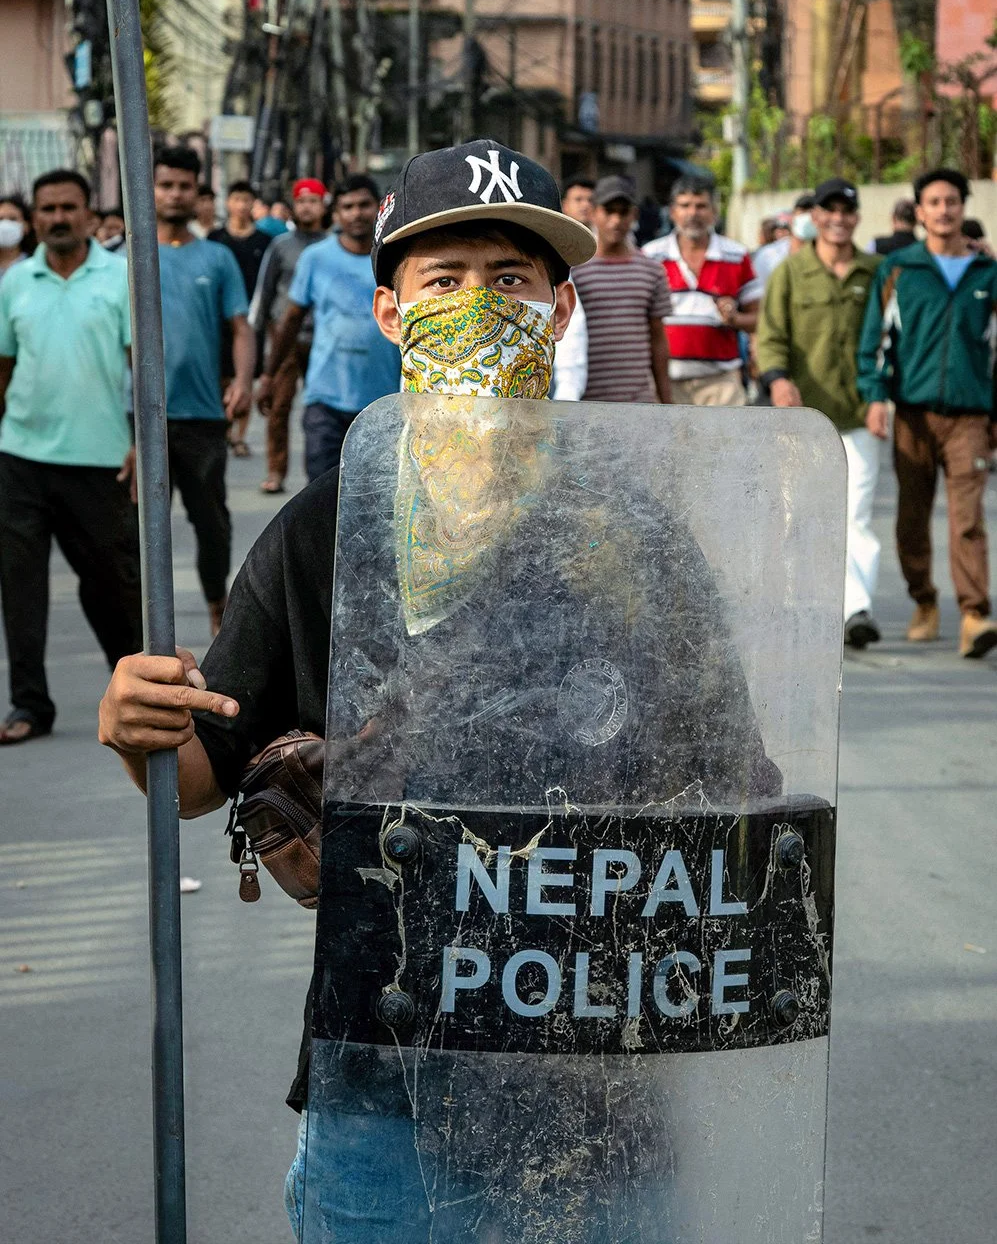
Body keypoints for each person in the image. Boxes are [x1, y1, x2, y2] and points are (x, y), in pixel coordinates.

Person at [97, 138, 779, 1240]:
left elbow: (736, 786)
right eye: (443, 279)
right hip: (386, 1085)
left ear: (559, 312)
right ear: (388, 312)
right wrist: (136, 726)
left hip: (599, 1085)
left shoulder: (637, 535)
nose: (477, 306)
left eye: (509, 281)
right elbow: (191, 777)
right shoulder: (330, 523)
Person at [0, 170, 141, 744]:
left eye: (68, 207)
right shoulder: (15, 282)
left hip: (100, 459)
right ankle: (30, 705)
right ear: (35, 218)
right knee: (21, 585)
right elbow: (3, 367)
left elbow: (143, 367)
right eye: (47, 208)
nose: (57, 217)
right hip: (21, 456)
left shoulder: (122, 276)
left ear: (88, 214)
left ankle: (138, 695)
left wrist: (141, 444)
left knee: (111, 585)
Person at [857, 168, 997, 658]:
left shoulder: (988, 274)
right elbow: (875, 342)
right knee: (912, 518)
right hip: (912, 414)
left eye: (952, 201)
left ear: (964, 208)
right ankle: (924, 602)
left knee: (967, 518)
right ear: (919, 212)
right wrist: (876, 397)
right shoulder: (898, 270)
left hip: (970, 417)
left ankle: (975, 615)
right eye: (934, 202)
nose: (943, 210)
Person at [757, 178, 882, 648]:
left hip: (857, 413)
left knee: (857, 515)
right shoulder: (792, 271)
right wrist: (778, 379)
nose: (838, 219)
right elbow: (771, 335)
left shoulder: (877, 271)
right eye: (829, 210)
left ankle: (856, 610)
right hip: (802, 418)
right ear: (816, 216)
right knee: (797, 512)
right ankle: (799, 603)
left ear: (856, 217)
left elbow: (892, 340)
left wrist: (880, 399)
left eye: (846, 211)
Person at [154, 148, 254, 634]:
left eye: (183, 185)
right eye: (165, 184)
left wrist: (242, 381)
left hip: (202, 415)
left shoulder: (217, 258)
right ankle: (145, 628)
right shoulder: (125, 258)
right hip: (139, 420)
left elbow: (240, 327)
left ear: (197, 193)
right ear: (148, 188)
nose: (174, 193)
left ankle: (218, 605)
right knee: (135, 529)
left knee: (211, 523)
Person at [264, 175, 400, 484]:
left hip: (382, 403)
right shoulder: (315, 259)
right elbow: (291, 320)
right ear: (336, 213)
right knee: (320, 497)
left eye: (364, 205)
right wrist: (269, 376)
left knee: (377, 500)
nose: (356, 213)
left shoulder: (394, 260)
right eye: (347, 207)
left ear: (379, 208)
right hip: (325, 400)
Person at [643, 174, 760, 407]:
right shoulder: (651, 255)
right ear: (673, 212)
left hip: (721, 383)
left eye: (701, 206)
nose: (692, 214)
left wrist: (734, 317)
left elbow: (759, 319)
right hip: (665, 380)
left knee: (726, 444)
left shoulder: (736, 255)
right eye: (685, 206)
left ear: (714, 211)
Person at [252, 178, 328, 493]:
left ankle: (322, 476)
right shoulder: (280, 246)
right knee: (279, 407)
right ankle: (276, 471)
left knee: (322, 410)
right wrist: (258, 341)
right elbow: (264, 293)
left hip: (323, 340)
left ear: (324, 205)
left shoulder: (333, 246)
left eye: (313, 200)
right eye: (302, 201)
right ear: (294, 206)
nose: (307, 206)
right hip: (285, 338)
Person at [571, 174, 672, 403]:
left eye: (623, 212)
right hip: (584, 401)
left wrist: (666, 401)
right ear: (594, 212)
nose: (616, 220)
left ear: (634, 215)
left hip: (636, 403)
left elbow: (658, 338)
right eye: (609, 211)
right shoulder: (573, 270)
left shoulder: (651, 271)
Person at [209, 179, 270, 457]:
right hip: (218, 319)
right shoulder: (215, 239)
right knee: (222, 377)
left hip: (251, 320)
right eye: (236, 199)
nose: (241, 205)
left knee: (245, 376)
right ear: (227, 203)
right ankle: (223, 428)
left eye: (247, 200)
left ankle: (240, 435)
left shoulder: (265, 243)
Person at [752, 193, 816, 289]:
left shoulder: (829, 255)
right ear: (792, 218)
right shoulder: (768, 256)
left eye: (811, 213)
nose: (807, 217)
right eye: (803, 212)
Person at [0, 195, 32, 280]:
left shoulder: (35, 266)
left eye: (13, 219)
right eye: (0, 219)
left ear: (26, 226)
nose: (5, 224)